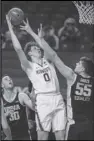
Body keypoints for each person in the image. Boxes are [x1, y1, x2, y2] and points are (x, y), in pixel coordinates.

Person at [6, 15, 66, 140]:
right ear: (29, 53)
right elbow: (18, 49)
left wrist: (31, 32)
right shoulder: (29, 66)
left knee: (61, 137)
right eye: (35, 48)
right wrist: (11, 29)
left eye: (38, 48)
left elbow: (52, 52)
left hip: (58, 98)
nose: (38, 49)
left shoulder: (47, 60)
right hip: (43, 100)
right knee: (42, 137)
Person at [31, 24, 94, 140]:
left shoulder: (72, 77)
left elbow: (54, 56)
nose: (76, 64)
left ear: (83, 69)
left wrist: (41, 40)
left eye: (79, 64)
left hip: (74, 126)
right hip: (90, 127)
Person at [1, 75, 35, 140]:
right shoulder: (1, 101)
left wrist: (33, 96)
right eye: (6, 79)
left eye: (10, 78)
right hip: (8, 137)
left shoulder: (21, 96)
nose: (9, 80)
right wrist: (4, 115)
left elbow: (34, 108)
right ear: (2, 85)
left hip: (24, 136)